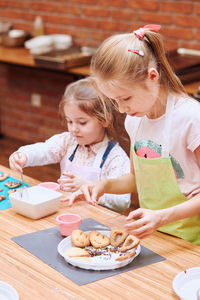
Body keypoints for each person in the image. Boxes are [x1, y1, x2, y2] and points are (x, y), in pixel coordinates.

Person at [75, 24, 200, 245]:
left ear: (152, 76)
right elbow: (135, 179)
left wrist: (161, 216)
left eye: (125, 98)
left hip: (192, 239)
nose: (121, 109)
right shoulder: (135, 119)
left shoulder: (191, 118)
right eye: (114, 101)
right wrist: (103, 186)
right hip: (155, 233)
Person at [9, 78, 130, 213]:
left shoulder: (116, 158)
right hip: (65, 213)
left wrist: (88, 187)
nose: (74, 129)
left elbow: (122, 202)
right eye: (69, 121)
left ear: (104, 119)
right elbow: (43, 150)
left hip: (96, 220)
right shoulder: (67, 141)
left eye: (82, 122)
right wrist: (23, 155)